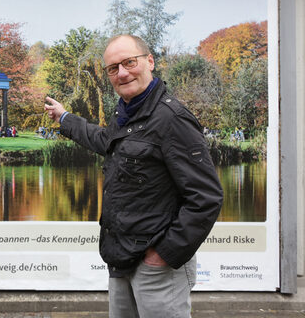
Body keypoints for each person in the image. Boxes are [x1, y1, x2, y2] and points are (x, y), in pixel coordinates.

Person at [44, 35, 223, 318]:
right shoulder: (125, 113)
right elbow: (106, 141)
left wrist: (163, 255)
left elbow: (206, 198)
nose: (122, 73)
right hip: (121, 257)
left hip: (156, 266)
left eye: (129, 62)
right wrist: (66, 118)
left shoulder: (172, 119)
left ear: (149, 61)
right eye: (113, 68)